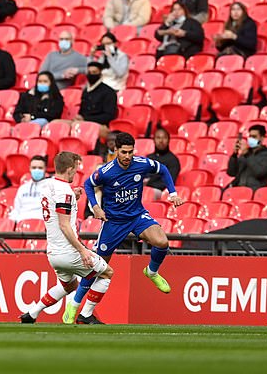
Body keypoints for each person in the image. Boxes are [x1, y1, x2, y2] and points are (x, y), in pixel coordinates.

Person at [71, 133, 183, 319]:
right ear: (116, 151)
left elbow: (163, 169)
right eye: (123, 152)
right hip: (114, 222)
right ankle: (74, 306)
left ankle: (152, 272)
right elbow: (88, 185)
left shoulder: (141, 163)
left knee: (162, 242)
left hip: (137, 215)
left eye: (130, 152)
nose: (127, 156)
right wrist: (96, 208)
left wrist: (172, 193)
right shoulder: (106, 171)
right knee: (98, 266)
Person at [22, 151, 115, 325]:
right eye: (76, 169)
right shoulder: (64, 192)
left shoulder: (47, 185)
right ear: (70, 169)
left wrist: (73, 195)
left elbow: (56, 201)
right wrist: (82, 251)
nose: (76, 173)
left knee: (69, 286)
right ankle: (86, 315)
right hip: (69, 252)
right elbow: (64, 225)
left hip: (53, 253)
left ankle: (32, 313)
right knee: (107, 273)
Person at [226, 124, 267, 190]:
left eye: (254, 136)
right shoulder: (245, 153)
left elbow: (259, 172)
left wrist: (247, 155)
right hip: (238, 188)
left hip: (255, 190)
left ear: (262, 138)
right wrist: (234, 155)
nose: (251, 139)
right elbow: (231, 172)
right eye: (250, 136)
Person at [75, 61, 118, 127]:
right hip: (83, 123)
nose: (91, 74)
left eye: (94, 72)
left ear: (100, 74)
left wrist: (86, 119)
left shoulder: (109, 92)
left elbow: (109, 115)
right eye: (89, 72)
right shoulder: (86, 91)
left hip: (100, 125)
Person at [145, 128, 181, 200]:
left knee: (148, 193)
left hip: (160, 191)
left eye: (164, 138)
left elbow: (170, 182)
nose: (161, 141)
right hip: (144, 189)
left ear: (168, 140)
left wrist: (149, 183)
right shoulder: (148, 158)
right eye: (158, 138)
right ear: (154, 140)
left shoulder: (173, 160)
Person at [9, 156, 47, 222]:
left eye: (40, 168)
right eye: (34, 168)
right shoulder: (22, 188)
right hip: (22, 223)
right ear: (29, 169)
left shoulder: (52, 187)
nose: (37, 170)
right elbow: (16, 209)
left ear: (45, 169)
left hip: (42, 224)